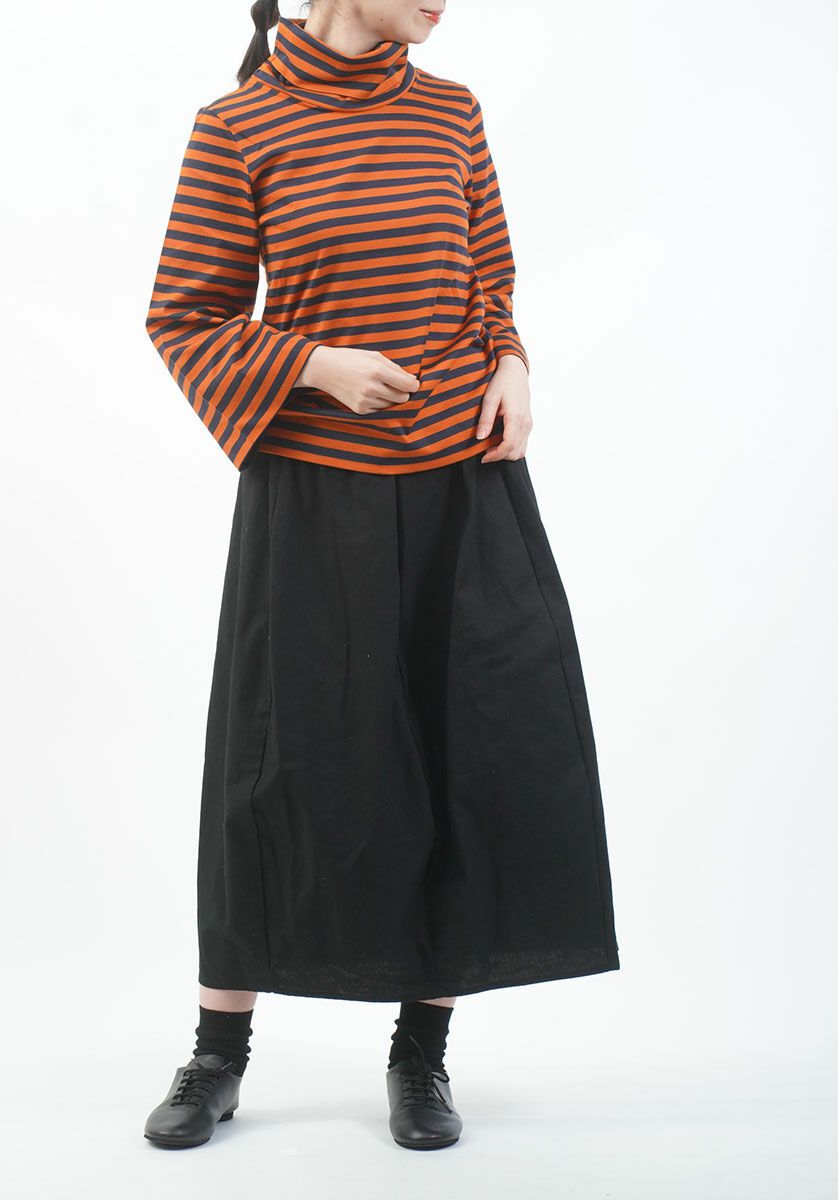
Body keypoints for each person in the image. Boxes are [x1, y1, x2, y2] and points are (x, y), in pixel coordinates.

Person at [140, 0, 619, 1152]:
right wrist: (313, 364)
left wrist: (512, 364)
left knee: (466, 754)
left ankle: (421, 1054)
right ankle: (217, 1054)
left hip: (462, 482)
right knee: (273, 768)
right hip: (313, 497)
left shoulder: (452, 113)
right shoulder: (239, 126)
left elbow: (489, 280)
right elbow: (183, 316)